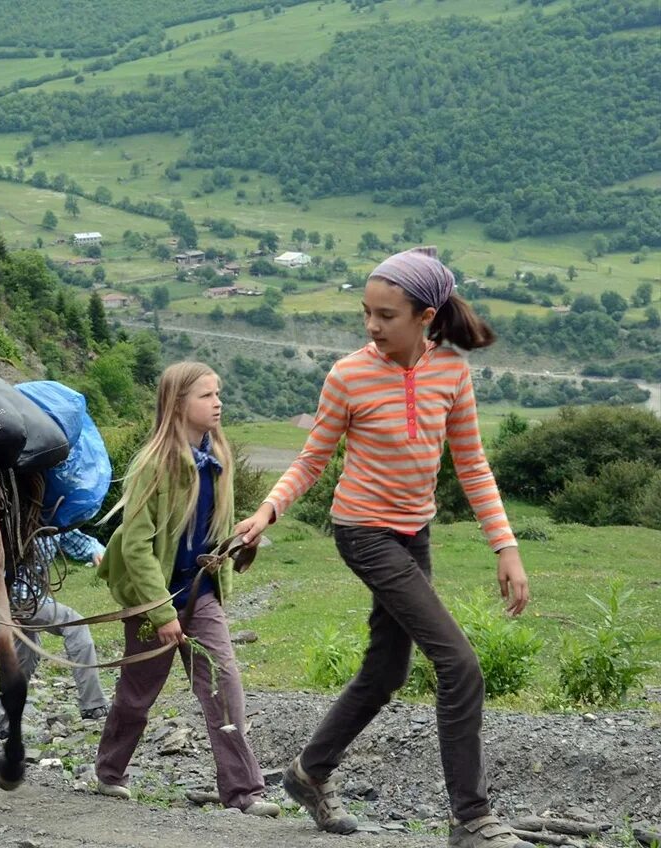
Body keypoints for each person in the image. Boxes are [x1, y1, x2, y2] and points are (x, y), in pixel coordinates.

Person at [234, 247, 532, 848]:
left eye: (386, 315)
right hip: (362, 531)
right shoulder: (349, 374)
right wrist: (266, 511)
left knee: (387, 670)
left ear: (426, 317)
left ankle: (308, 772)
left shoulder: (451, 373)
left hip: (413, 531)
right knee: (459, 665)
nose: (372, 325)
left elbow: (472, 466)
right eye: (366, 312)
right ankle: (471, 819)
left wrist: (506, 545)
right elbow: (313, 458)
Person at [93, 362, 278, 818]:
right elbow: (136, 547)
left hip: (201, 595)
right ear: (178, 404)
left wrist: (240, 545)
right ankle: (109, 772)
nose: (218, 403)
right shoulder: (152, 465)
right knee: (137, 694)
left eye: (218, 394)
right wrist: (161, 612)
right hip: (153, 599)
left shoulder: (219, 457)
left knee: (224, 683)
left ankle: (244, 790)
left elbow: (209, 534)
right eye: (206, 396)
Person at [0, 528, 110, 737]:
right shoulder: (7, 522)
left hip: (35, 600)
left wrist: (99, 551)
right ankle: (93, 704)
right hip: (16, 602)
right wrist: (2, 612)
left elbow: (81, 542)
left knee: (24, 658)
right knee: (75, 623)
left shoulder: (53, 523)